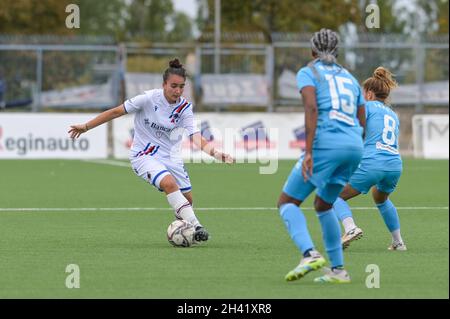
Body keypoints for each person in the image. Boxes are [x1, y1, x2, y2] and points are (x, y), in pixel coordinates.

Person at [69, 58, 234, 243]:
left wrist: (217, 153)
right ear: (164, 84)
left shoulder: (185, 108)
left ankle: (183, 232)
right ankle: (197, 227)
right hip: (144, 156)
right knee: (169, 184)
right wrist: (86, 126)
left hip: (171, 158)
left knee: (187, 198)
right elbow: (116, 112)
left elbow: (196, 137)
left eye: (181, 87)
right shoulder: (147, 99)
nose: (178, 91)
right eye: (173, 86)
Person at [277, 29, 366, 284]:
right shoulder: (351, 78)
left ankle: (309, 254)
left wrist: (309, 151)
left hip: (327, 144)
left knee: (287, 202)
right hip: (354, 147)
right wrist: (354, 147)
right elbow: (362, 119)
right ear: (337, 52)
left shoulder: (308, 72)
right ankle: (338, 271)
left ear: (312, 51)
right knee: (323, 204)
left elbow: (312, 107)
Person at [333, 67, 406, 251]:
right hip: (394, 164)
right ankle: (398, 242)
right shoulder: (392, 114)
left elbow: (358, 131)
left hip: (373, 162)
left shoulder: (366, 107)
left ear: (370, 93)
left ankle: (350, 229)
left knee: (333, 194)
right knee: (380, 198)